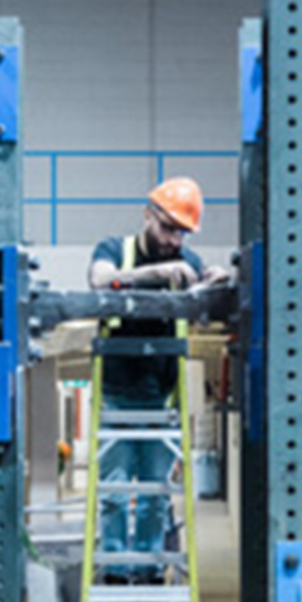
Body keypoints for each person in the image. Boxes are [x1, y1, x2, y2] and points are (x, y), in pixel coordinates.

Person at [88, 177, 228, 572]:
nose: (174, 241)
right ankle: (116, 573)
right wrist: (156, 273)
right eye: (168, 229)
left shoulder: (188, 264)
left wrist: (214, 282)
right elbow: (100, 279)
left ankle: (148, 573)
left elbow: (203, 297)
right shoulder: (116, 250)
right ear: (148, 215)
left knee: (155, 496)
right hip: (115, 395)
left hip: (161, 398)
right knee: (114, 494)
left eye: (182, 233)